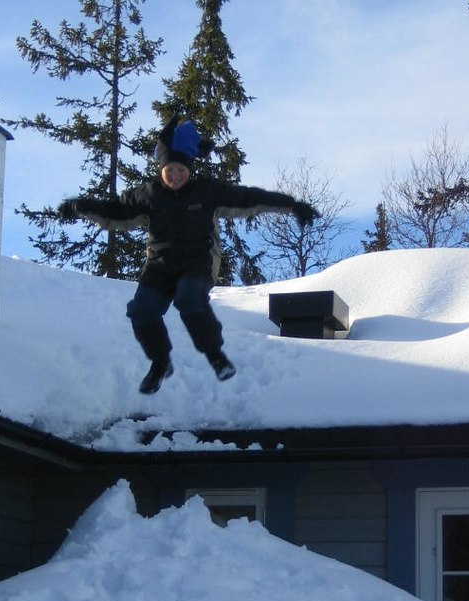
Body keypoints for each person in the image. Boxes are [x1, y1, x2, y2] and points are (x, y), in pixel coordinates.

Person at [59, 115, 319, 394]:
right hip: (159, 267)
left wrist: (292, 206)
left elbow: (249, 198)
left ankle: (215, 356)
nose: (176, 176)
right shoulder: (147, 196)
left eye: (181, 170)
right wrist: (80, 206)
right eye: (170, 170)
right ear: (161, 169)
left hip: (197, 263)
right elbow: (115, 212)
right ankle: (160, 362)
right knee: (141, 311)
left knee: (188, 301)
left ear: (189, 170)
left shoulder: (206, 192)